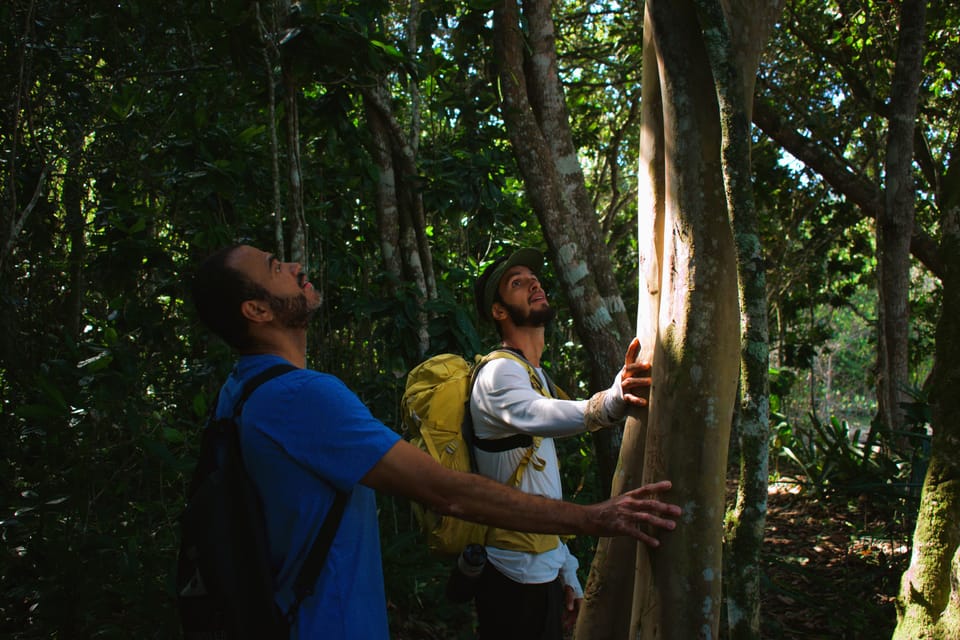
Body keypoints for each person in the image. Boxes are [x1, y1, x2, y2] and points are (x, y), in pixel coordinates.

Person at [191, 243, 681, 640]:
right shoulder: (302, 397)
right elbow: (449, 492)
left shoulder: (239, 393)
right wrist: (597, 516)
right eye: (277, 267)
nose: (295, 266)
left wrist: (565, 567)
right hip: (326, 623)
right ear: (256, 309)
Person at [468, 247, 651, 639]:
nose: (534, 283)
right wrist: (608, 403)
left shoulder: (533, 374)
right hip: (510, 576)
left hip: (542, 571)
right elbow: (536, 414)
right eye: (517, 283)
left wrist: (566, 570)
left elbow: (540, 483)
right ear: (499, 311)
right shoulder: (498, 373)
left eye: (533, 278)